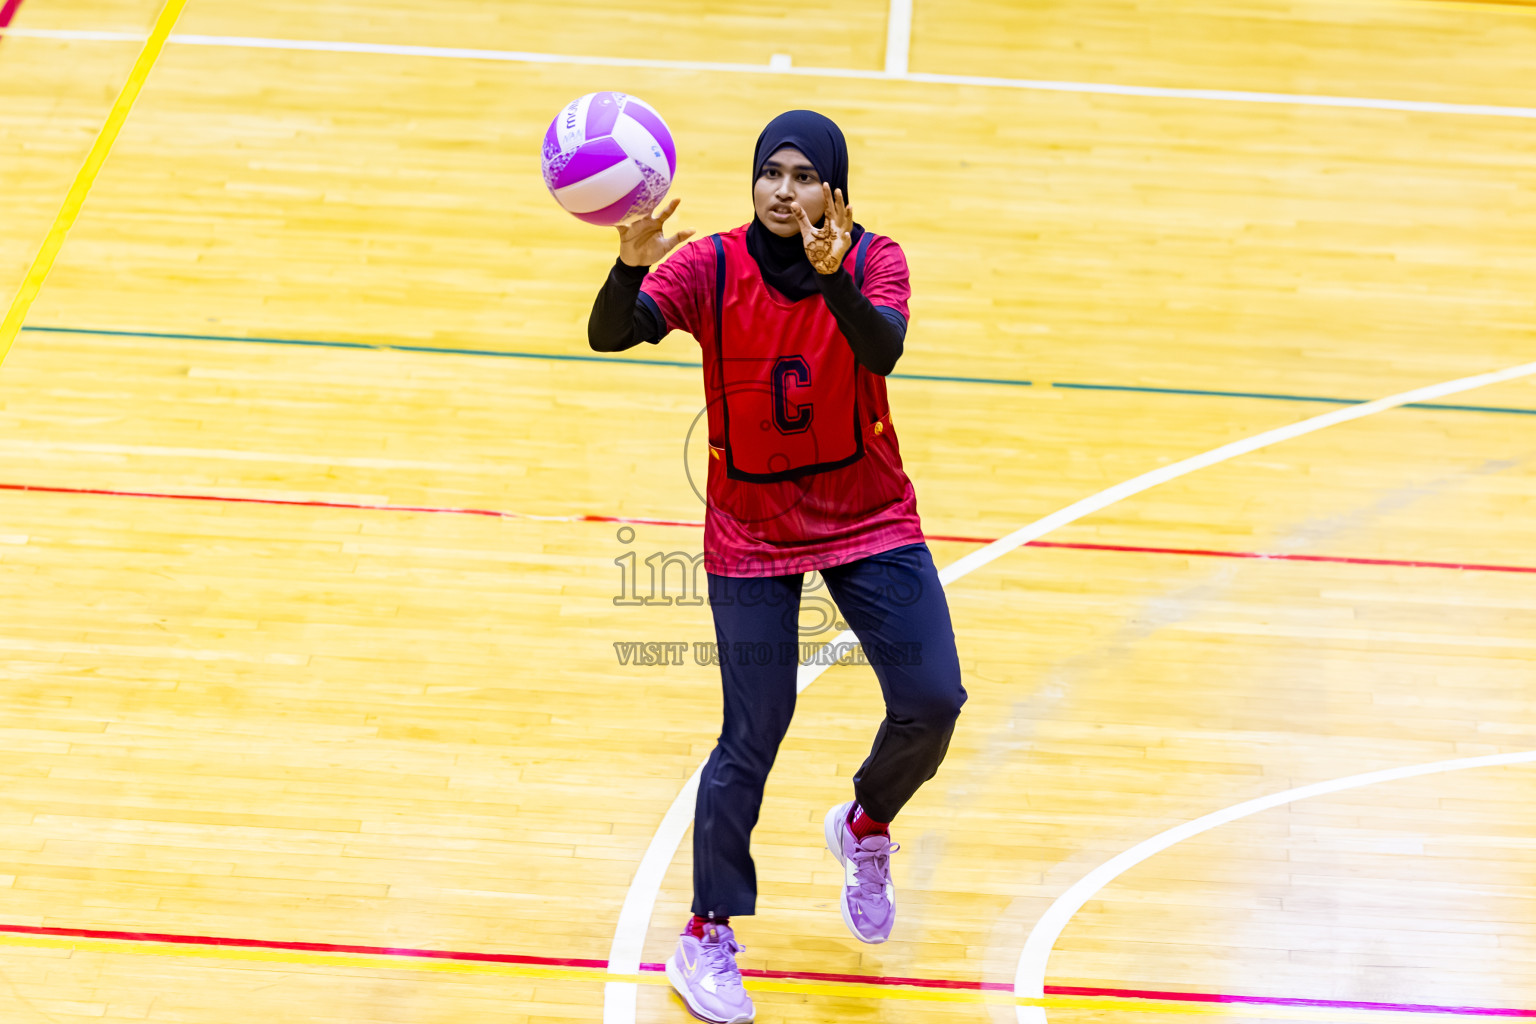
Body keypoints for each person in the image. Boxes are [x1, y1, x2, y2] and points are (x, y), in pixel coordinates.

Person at [587, 110, 966, 1024]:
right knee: (751, 735)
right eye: (771, 174)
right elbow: (610, 333)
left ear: (834, 189)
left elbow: (883, 348)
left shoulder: (878, 259)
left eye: (804, 176)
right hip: (753, 530)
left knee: (934, 700)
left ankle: (866, 823)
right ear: (754, 183)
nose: (785, 191)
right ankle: (705, 934)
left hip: (870, 516)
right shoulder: (711, 265)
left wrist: (834, 282)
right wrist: (629, 261)